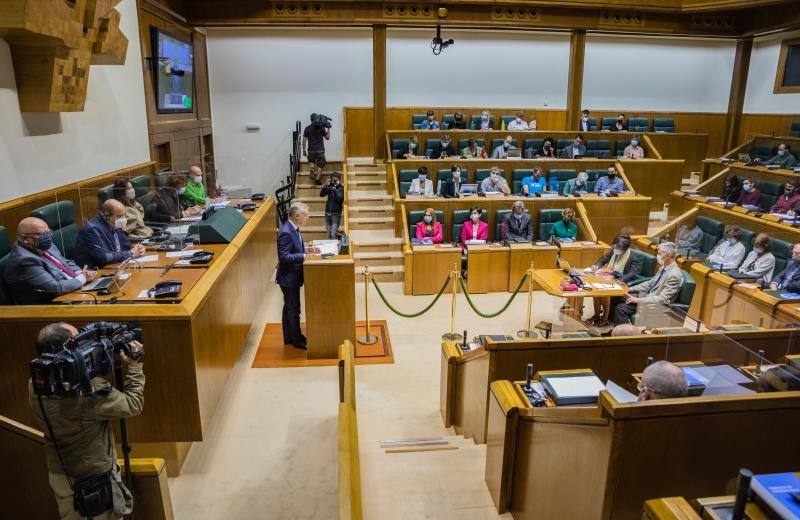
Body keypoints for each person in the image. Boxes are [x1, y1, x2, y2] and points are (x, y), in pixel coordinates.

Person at [30, 322, 144, 520]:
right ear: (67, 354)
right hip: (95, 481)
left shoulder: (35, 384)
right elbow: (133, 404)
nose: (84, 347)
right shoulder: (89, 390)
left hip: (60, 475)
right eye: (78, 344)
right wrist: (133, 366)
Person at [3, 217, 97, 304]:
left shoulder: (43, 244)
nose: (47, 238)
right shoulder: (24, 260)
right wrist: (82, 278)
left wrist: (80, 272)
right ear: (24, 238)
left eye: (48, 233)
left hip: (72, 290)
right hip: (48, 306)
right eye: (42, 234)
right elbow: (55, 288)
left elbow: (65, 262)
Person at [277, 202, 320, 350]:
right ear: (297, 216)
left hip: (292, 276)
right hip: (289, 278)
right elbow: (284, 257)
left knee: (289, 307)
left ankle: (288, 337)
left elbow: (295, 247)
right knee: (293, 309)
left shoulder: (293, 228)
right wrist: (303, 255)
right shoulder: (286, 232)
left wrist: (307, 249)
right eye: (305, 215)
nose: (307, 217)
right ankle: (297, 340)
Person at [612, 241, 683, 325]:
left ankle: (624, 335)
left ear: (667, 256)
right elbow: (650, 283)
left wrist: (638, 300)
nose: (657, 255)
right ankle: (614, 329)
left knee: (620, 308)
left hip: (654, 305)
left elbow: (663, 299)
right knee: (616, 296)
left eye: (659, 253)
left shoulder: (674, 275)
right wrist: (629, 288)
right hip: (646, 297)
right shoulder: (665, 267)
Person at [74, 200, 146, 269]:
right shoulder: (93, 229)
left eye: (124, 215)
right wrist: (130, 253)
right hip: (95, 271)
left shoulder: (113, 223)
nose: (123, 219)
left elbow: (125, 243)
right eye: (119, 216)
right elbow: (104, 257)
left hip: (114, 266)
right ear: (107, 216)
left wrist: (137, 248)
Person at [590, 234, 643, 326]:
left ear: (625, 249)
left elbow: (632, 274)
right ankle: (597, 316)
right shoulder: (614, 250)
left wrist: (613, 273)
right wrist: (597, 265)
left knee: (605, 293)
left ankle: (604, 319)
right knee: (595, 291)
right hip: (608, 278)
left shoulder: (635, 257)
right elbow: (603, 259)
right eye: (614, 246)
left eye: (618, 248)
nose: (615, 249)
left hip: (622, 281)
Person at [303, 114, 331, 185]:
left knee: (311, 160)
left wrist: (304, 150)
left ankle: (312, 169)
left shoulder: (307, 128)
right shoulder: (321, 128)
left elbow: (304, 140)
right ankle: (317, 180)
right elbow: (327, 138)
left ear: (311, 119)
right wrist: (328, 128)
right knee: (320, 165)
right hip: (320, 150)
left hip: (311, 149)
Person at [319, 172, 344, 239]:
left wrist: (335, 189)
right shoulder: (330, 187)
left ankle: (335, 248)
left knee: (333, 234)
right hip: (327, 214)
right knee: (329, 234)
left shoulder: (341, 188)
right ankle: (331, 249)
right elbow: (321, 195)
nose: (334, 181)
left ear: (339, 179)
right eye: (333, 180)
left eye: (336, 179)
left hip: (336, 215)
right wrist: (325, 186)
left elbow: (339, 199)